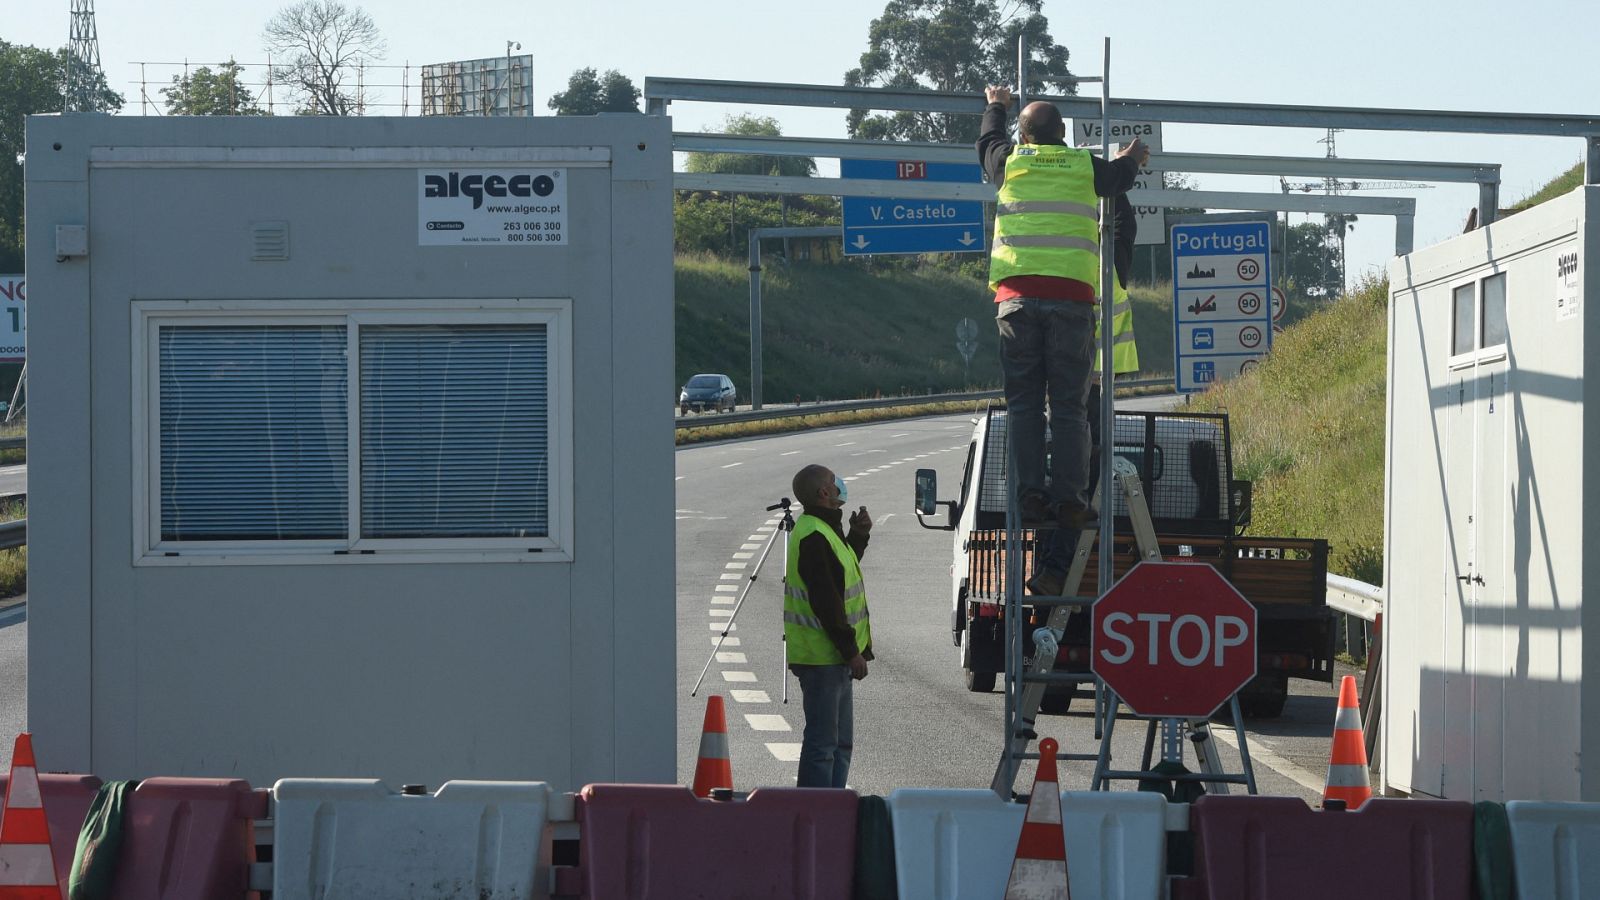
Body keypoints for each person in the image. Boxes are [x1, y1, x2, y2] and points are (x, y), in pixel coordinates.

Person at [977, 85, 1148, 597]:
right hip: (1073, 301)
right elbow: (1117, 181)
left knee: (1026, 404)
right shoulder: (1082, 167)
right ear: (1063, 136)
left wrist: (997, 105)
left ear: (1025, 137)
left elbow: (987, 143)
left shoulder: (1011, 162)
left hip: (1016, 299)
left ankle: (1032, 495)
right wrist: (1132, 157)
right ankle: (1070, 499)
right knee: (1070, 409)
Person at [784, 463, 873, 788]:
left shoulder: (824, 527)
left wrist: (858, 536)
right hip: (823, 658)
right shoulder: (813, 535)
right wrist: (851, 651)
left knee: (839, 745)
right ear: (824, 492)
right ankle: (816, 815)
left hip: (831, 658)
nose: (839, 485)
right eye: (834, 482)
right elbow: (827, 601)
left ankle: (832, 811)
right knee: (823, 746)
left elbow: (839, 573)